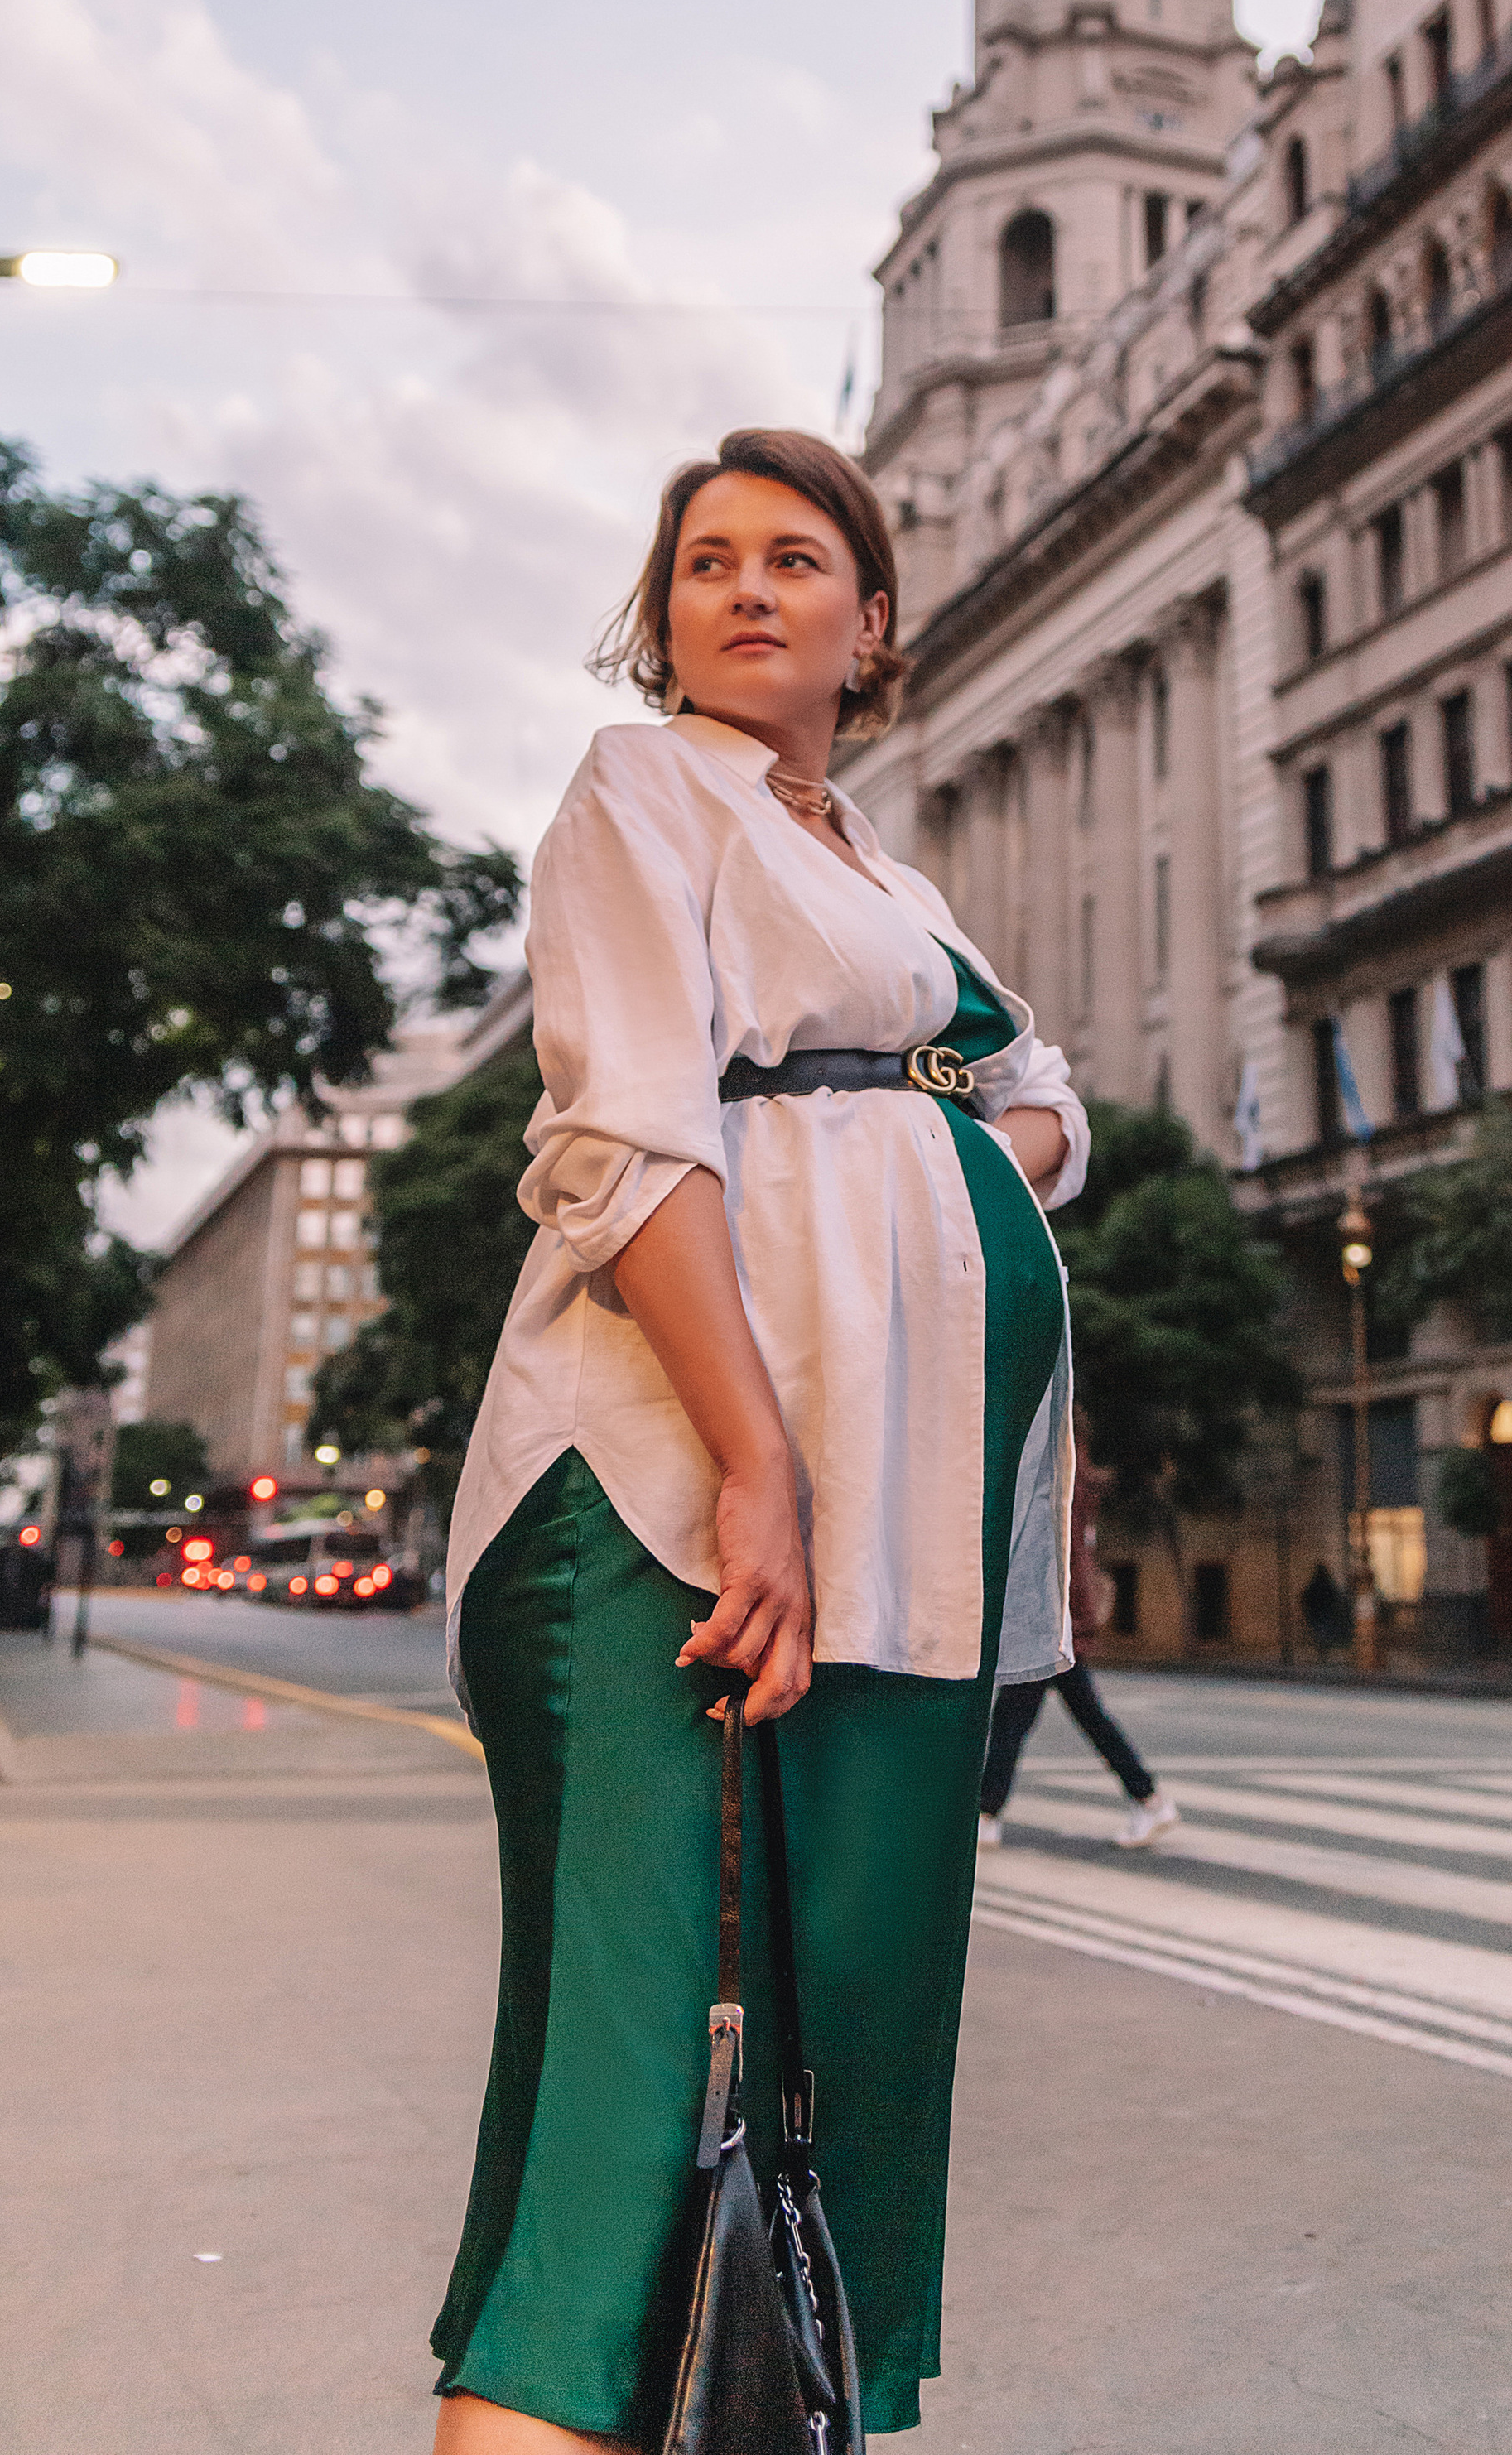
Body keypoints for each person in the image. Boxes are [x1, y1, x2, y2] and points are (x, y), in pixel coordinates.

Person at [430, 427, 1088, 2453]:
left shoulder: (879, 868)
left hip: (901, 1521)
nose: (740, 585)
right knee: (632, 2118)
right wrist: (756, 1466)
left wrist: (957, 1158)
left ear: (867, 623)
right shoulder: (646, 791)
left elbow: (1048, 1092)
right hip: (676, 1493)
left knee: (821, 2099)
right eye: (700, 559)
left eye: (792, 558)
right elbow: (625, 1146)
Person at [975, 1414, 1178, 1850]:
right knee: (1065, 1716)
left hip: (1051, 1619)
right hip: (1056, 1618)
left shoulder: (1057, 1483)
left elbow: (1059, 1558)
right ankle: (1147, 1798)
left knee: (1017, 1718)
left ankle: (987, 1816)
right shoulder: (1071, 1480)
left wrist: (1052, 1617)